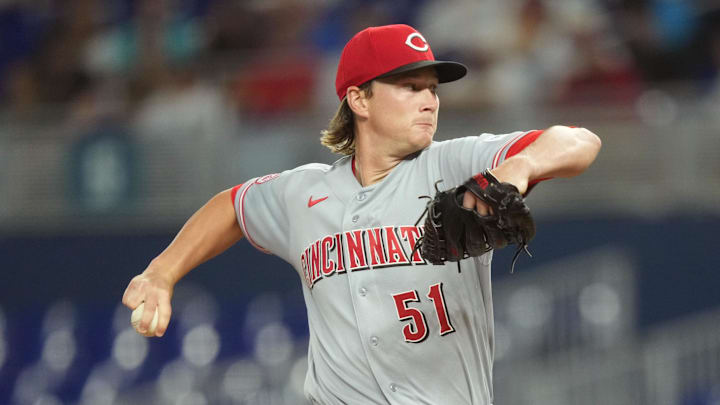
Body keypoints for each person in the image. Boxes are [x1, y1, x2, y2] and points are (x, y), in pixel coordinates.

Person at [122, 24, 601, 405]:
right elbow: (232, 205)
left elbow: (580, 141)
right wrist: (162, 272)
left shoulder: (456, 164)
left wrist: (518, 167)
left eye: (432, 88)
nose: (430, 99)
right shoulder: (305, 193)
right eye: (410, 86)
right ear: (358, 98)